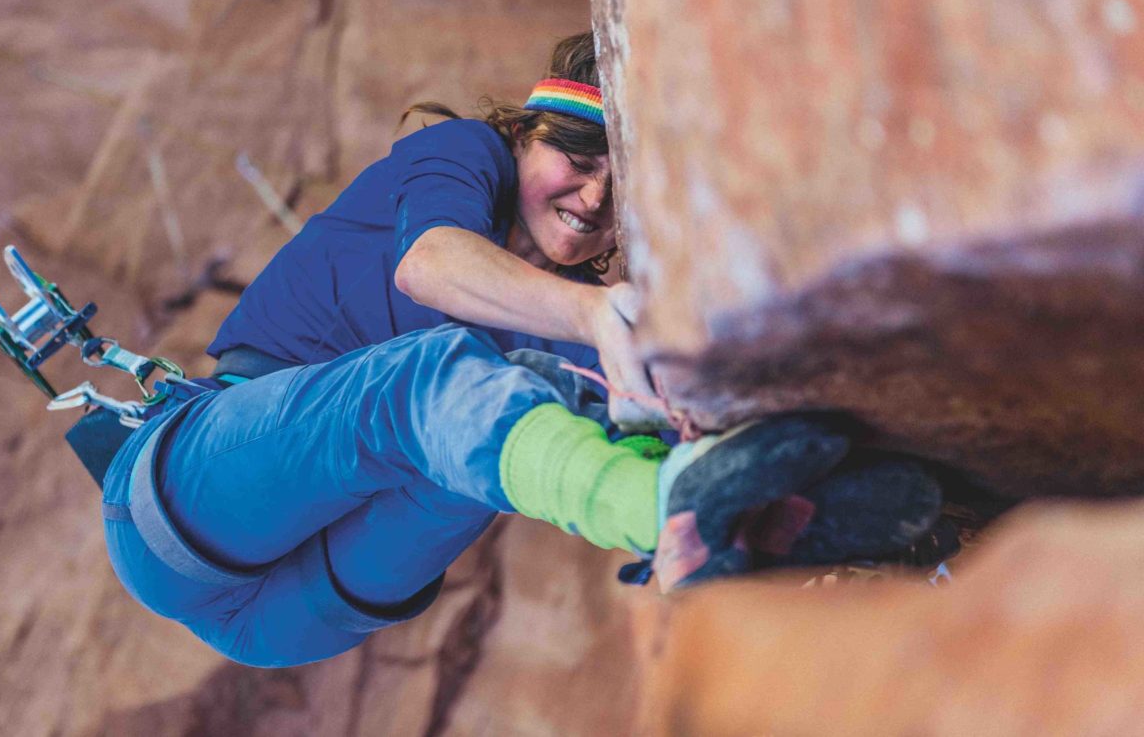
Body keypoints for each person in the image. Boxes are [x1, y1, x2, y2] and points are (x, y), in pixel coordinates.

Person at [98, 32, 944, 668]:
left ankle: (723, 525)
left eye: (619, 190)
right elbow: (430, 262)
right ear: (522, 137)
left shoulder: (573, 321)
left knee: (506, 426)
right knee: (430, 380)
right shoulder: (461, 157)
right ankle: (668, 506)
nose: (592, 196)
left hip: (315, 610)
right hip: (183, 516)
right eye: (576, 156)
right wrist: (594, 315)